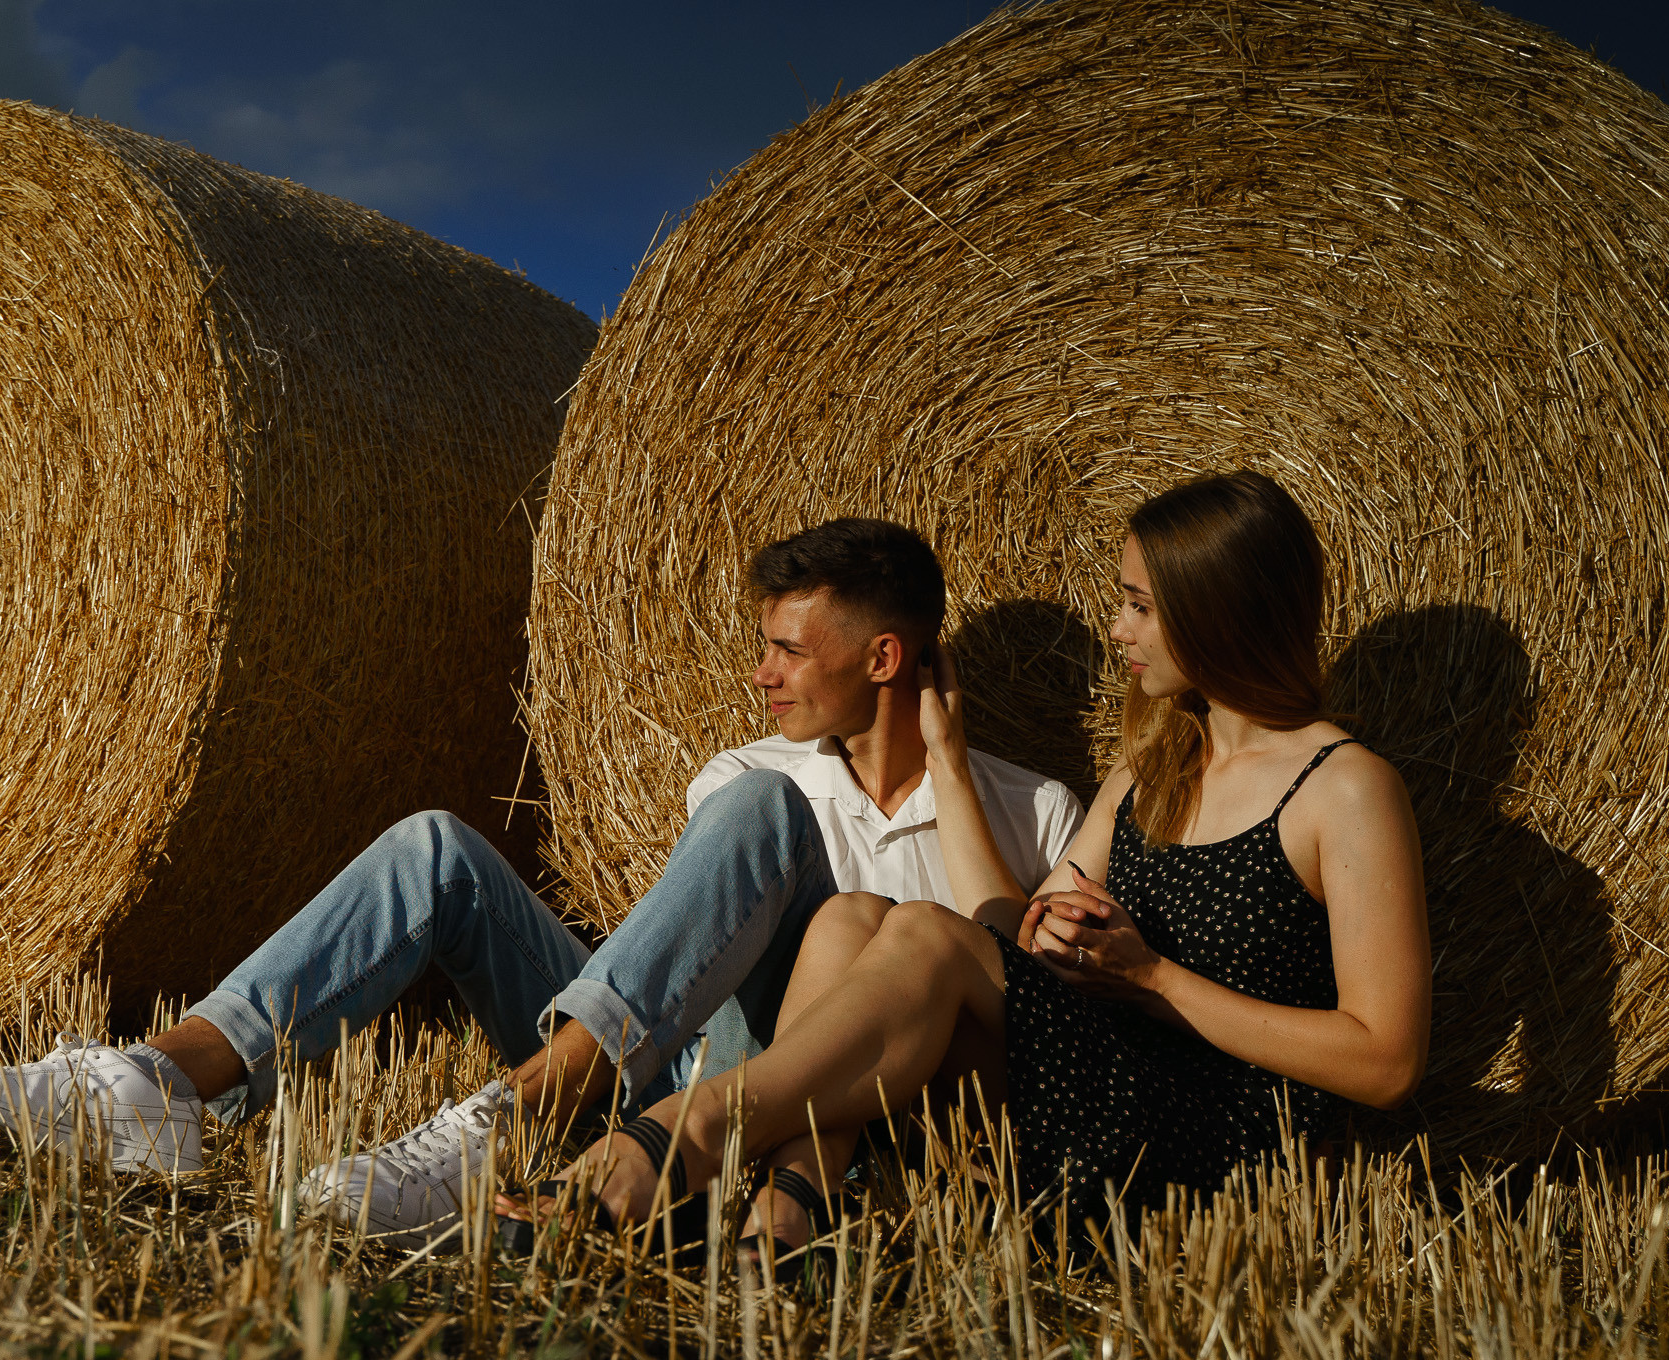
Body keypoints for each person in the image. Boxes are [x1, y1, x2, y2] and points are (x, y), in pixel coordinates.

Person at [0, 518, 1084, 1249]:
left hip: (809, 1127)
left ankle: (516, 1119)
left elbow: (1023, 1011)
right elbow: (677, 961)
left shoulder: (1032, 810)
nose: (758, 669)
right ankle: (161, 1080)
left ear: (883, 656)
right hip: (656, 1066)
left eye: (786, 646)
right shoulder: (748, 771)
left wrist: (949, 776)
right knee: (435, 847)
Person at [495, 471, 1430, 1273]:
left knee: (917, 936)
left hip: (1210, 1138)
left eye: (1141, 604)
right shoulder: (1152, 771)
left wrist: (1153, 980)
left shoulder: (1344, 788)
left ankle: (678, 1141)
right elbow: (1002, 937)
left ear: (1217, 609)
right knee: (857, 917)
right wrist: (948, 754)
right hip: (1086, 1078)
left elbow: (1386, 1060)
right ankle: (787, 1218)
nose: (1117, 627)